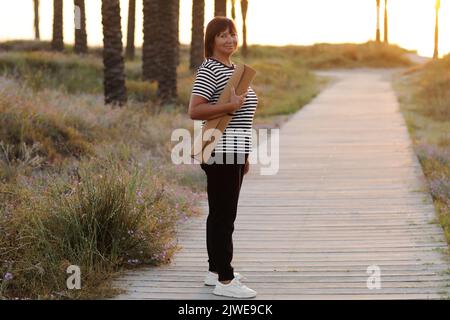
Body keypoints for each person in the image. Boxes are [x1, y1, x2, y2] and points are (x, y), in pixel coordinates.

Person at [188, 16, 258, 299]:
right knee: (224, 216)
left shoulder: (233, 69)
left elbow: (241, 118)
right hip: (220, 150)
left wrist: (245, 155)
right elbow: (195, 111)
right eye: (222, 36)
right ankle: (226, 281)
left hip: (235, 151)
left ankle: (214, 271)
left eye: (233, 34)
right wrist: (229, 105)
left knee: (220, 214)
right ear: (211, 40)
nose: (229, 40)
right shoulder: (210, 69)